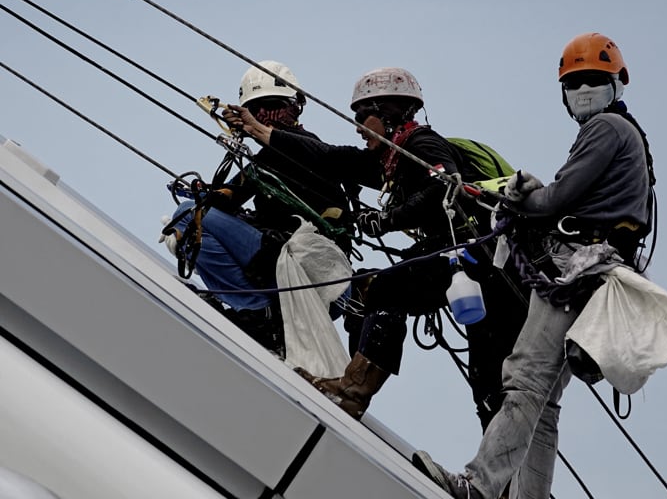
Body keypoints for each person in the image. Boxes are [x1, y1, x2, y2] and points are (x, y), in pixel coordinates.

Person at [413, 32, 655, 499]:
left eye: (593, 80)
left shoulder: (606, 128)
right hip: (597, 276)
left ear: (617, 84)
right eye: (575, 82)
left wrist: (519, 196)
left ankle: (477, 487)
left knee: (523, 379)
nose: (584, 90)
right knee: (543, 405)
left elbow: (557, 200)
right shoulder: (630, 137)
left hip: (576, 273)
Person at [226, 67, 529, 423]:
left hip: (481, 259)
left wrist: (388, 219)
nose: (357, 127)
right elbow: (329, 157)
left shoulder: (421, 144)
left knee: (385, 288)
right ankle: (352, 386)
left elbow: (443, 185)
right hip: (474, 264)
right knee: (486, 379)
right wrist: (260, 131)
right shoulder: (389, 161)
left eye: (361, 117)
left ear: (387, 112)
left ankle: (352, 391)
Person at [162, 61, 357, 358]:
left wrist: (253, 131)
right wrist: (206, 192)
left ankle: (257, 311)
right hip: (294, 270)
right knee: (193, 218)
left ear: (295, 108)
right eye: (256, 110)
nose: (265, 116)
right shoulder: (267, 160)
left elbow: (238, 188)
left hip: (313, 270)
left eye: (273, 107)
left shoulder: (304, 147)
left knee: (190, 215)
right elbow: (229, 195)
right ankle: (263, 316)